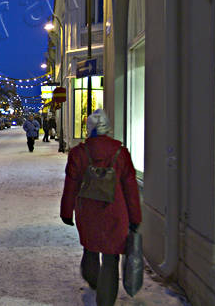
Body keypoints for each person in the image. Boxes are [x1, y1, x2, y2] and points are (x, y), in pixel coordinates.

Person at [60, 109, 141, 306]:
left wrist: (66, 212)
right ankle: (106, 300)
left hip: (87, 211)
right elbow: (130, 188)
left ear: (89, 129)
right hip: (115, 211)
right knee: (111, 257)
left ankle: (93, 279)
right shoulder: (120, 153)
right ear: (108, 128)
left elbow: (71, 185)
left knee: (90, 248)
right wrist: (135, 218)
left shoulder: (79, 153)